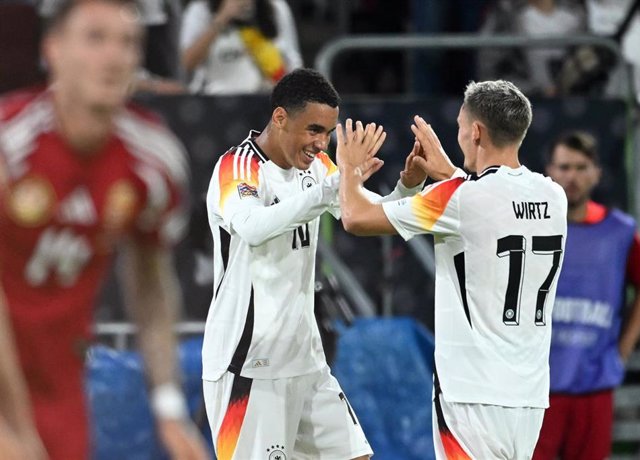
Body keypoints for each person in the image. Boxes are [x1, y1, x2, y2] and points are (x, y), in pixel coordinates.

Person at [0, 1, 209, 459]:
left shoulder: (153, 160)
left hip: (60, 387)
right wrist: (12, 428)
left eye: (128, 42)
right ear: (53, 49)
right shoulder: (9, 142)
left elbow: (152, 287)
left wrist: (170, 411)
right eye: (95, 38)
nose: (114, 57)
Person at [336, 80, 568, 459]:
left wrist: (348, 167)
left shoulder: (457, 199)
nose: (459, 136)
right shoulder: (552, 196)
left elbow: (356, 217)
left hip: (471, 392)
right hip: (528, 395)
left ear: (475, 132)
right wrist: (449, 174)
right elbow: (489, 206)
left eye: (461, 127)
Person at [202, 67, 425, 459]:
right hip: (248, 363)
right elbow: (252, 227)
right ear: (280, 117)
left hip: (305, 358)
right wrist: (327, 191)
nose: (321, 144)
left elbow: (364, 214)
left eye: (328, 133)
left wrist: (408, 186)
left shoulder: (319, 169)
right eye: (313, 130)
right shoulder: (238, 167)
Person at [533, 131, 640, 460]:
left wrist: (623, 351)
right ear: (549, 172)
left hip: (593, 385)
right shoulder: (531, 227)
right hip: (536, 387)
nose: (572, 177)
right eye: (564, 167)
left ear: (597, 173)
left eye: (581, 167)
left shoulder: (620, 231)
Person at [180, 0, 302, 94]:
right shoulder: (201, 10)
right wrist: (222, 18)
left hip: (263, 99)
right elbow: (186, 63)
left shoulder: (275, 7)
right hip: (214, 98)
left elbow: (293, 64)